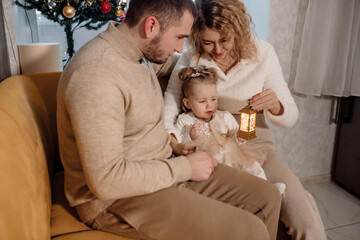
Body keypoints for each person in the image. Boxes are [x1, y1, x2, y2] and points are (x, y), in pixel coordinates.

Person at [57, 0, 282, 240]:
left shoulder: (138, 54)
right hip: (117, 199)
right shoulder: (96, 75)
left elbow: (181, 67)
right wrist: (184, 167)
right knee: (250, 230)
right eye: (179, 37)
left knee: (268, 197)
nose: (179, 48)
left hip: (161, 168)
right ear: (151, 26)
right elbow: (106, 182)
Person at [163, 0, 327, 239]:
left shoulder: (263, 54)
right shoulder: (192, 60)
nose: (217, 49)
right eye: (208, 42)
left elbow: (291, 116)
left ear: (238, 30)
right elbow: (168, 111)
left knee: (305, 223)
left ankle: (302, 202)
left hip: (256, 147)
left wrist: (276, 105)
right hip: (212, 154)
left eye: (225, 40)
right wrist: (175, 143)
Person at [172, 66, 286, 194]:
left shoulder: (224, 116)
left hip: (231, 153)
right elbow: (179, 143)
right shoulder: (185, 121)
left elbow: (234, 133)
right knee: (234, 180)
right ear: (187, 103)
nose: (210, 105)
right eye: (202, 101)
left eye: (213, 99)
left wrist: (239, 137)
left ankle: (268, 188)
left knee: (252, 166)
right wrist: (190, 136)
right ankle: (250, 193)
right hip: (212, 160)